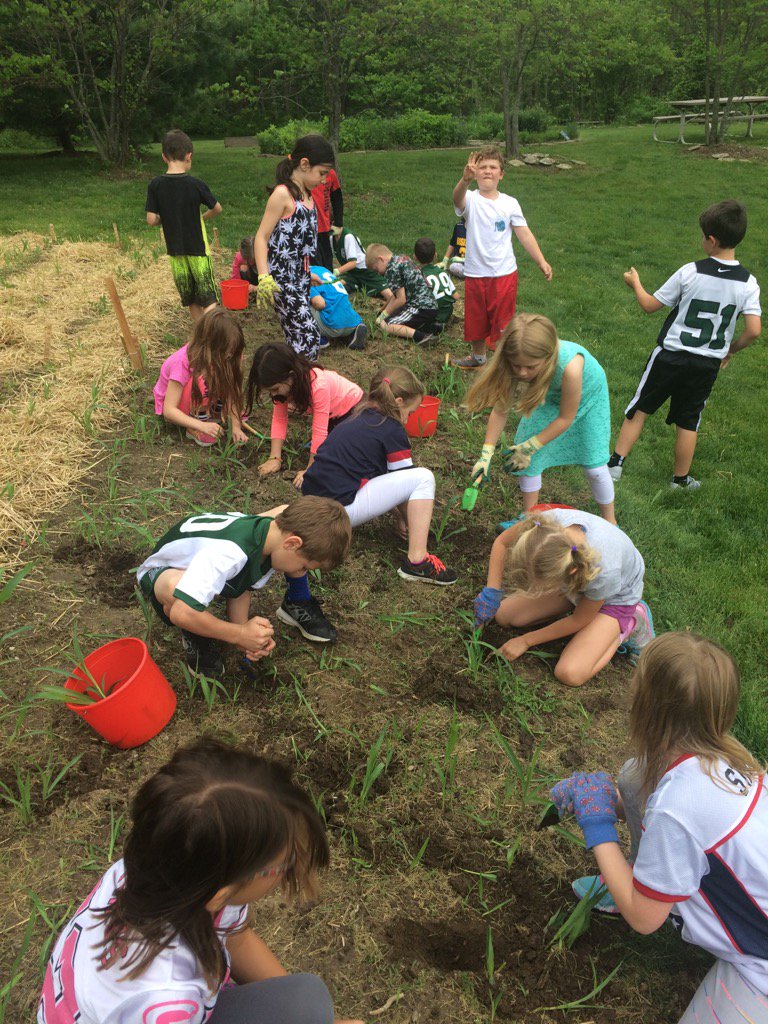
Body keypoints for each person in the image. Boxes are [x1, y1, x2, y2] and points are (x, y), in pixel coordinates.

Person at [38, 737, 364, 1024]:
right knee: (307, 1003)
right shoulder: (164, 999)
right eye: (283, 864)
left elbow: (236, 938)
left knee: (304, 1001)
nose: (292, 867)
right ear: (219, 895)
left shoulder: (172, 866)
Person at [550, 633, 768, 1024]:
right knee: (635, 778)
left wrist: (597, 824)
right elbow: (659, 808)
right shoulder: (727, 756)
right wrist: (607, 800)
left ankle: (633, 880)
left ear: (647, 709)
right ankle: (640, 876)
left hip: (762, 959)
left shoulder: (678, 807)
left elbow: (643, 919)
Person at [609, 200, 761, 490]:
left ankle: (615, 464)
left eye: (703, 236)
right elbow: (753, 331)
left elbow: (650, 306)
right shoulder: (749, 283)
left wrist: (635, 283)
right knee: (689, 421)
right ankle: (680, 481)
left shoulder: (690, 272)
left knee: (640, 408)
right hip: (706, 363)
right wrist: (731, 349)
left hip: (670, 356)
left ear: (712, 241)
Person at [135, 496, 352, 672]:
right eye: (304, 566)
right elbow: (181, 613)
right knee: (178, 593)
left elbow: (241, 587)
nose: (299, 572)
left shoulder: (275, 536)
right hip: (161, 571)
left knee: (217, 588)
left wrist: (245, 635)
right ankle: (196, 636)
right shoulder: (230, 553)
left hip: (208, 562)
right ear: (292, 543)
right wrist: (237, 633)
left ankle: (204, 619)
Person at [301, 366, 458, 585]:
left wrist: (398, 515)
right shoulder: (391, 428)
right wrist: (408, 521)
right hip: (335, 513)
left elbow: (382, 479)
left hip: (310, 505)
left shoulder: (360, 414)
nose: (407, 419)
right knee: (423, 478)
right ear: (400, 402)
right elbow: (408, 483)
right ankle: (417, 561)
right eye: (410, 413)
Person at [474, 508, 654, 686]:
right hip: (575, 581)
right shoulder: (542, 528)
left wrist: (526, 640)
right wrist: (492, 592)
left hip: (615, 597)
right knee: (504, 615)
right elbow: (502, 543)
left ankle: (629, 624)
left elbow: (579, 620)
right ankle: (576, 602)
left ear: (571, 571)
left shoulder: (604, 570)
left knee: (570, 672)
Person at [464, 313, 616, 523]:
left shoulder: (570, 368)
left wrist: (532, 445)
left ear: (549, 357)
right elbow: (500, 410)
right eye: (517, 366)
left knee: (594, 466)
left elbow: (565, 418)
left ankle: (611, 522)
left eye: (530, 367)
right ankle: (530, 518)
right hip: (549, 394)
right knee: (527, 459)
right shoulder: (515, 362)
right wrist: (485, 455)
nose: (523, 373)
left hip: (588, 397)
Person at [449, 146, 552, 369]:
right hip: (476, 272)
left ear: (501, 174)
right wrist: (464, 180)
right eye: (482, 167)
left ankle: (505, 362)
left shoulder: (510, 203)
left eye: (493, 167)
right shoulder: (471, 199)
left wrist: (541, 261)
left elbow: (524, 233)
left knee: (504, 322)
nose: (487, 171)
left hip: (504, 274)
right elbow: (457, 199)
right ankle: (478, 357)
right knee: (476, 319)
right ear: (475, 172)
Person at [254, 135, 336, 360]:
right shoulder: (283, 194)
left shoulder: (308, 195)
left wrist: (308, 276)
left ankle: (294, 385)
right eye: (322, 173)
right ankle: (303, 384)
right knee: (308, 337)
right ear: (304, 164)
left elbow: (298, 247)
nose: (324, 180)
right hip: (282, 281)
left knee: (300, 338)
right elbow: (261, 237)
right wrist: (264, 277)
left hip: (299, 280)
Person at [247, 342, 364, 489]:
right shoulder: (286, 387)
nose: (273, 395)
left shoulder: (318, 385)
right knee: (325, 448)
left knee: (337, 456)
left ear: (290, 376)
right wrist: (274, 457)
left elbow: (319, 430)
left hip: (355, 411)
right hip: (332, 417)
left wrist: (311, 469)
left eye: (275, 389)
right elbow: (279, 419)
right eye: (270, 391)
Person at [145, 128, 222, 323]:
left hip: (175, 251)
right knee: (209, 297)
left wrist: (168, 218)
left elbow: (152, 220)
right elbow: (217, 208)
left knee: (190, 297)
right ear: (188, 156)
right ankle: (208, 334)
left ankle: (200, 333)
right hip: (198, 249)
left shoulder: (155, 185)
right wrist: (201, 218)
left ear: (164, 157)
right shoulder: (195, 183)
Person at [153, 308, 248, 446]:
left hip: (205, 393)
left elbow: (233, 390)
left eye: (232, 352)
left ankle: (213, 410)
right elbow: (169, 410)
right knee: (197, 381)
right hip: (178, 403)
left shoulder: (227, 356)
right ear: (208, 345)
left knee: (225, 374)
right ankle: (193, 423)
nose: (229, 355)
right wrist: (201, 426)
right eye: (225, 351)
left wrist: (236, 426)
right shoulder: (182, 362)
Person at [365, 244, 438, 345]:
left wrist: (382, 317)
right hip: (430, 305)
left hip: (419, 307)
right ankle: (431, 326)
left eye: (376, 269)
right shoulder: (402, 259)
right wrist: (382, 310)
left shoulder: (391, 269)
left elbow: (400, 300)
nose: (378, 273)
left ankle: (422, 337)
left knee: (387, 324)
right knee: (392, 316)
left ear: (381, 259)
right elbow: (394, 296)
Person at [308, 264, 368, 349]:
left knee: (299, 303)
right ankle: (351, 334)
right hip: (351, 322)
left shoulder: (304, 276)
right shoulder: (322, 269)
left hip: (330, 325)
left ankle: (318, 337)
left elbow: (320, 304)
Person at [332, 225, 393, 302]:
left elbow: (353, 263)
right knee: (335, 285)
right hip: (352, 272)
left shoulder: (348, 237)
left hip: (365, 271)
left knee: (386, 293)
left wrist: (336, 271)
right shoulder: (332, 238)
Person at [414, 237, 456, 331]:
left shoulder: (418, 276)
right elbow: (456, 296)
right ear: (435, 255)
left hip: (431, 314)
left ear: (415, 257)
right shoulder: (443, 273)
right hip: (447, 313)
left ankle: (429, 326)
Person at [312, 167, 343, 270]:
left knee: (327, 267)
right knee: (316, 268)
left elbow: (337, 196)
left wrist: (338, 222)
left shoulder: (330, 173)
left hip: (324, 228)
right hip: (309, 230)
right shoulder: (305, 172)